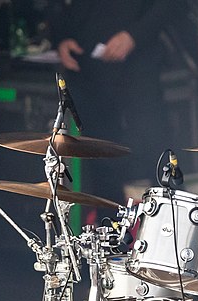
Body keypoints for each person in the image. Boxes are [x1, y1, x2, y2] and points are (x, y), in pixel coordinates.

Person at [52, 0, 174, 218]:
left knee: (152, 142)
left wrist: (134, 35)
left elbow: (168, 6)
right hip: (87, 66)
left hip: (138, 62)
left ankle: (170, 227)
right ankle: (110, 236)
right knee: (99, 155)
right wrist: (60, 39)